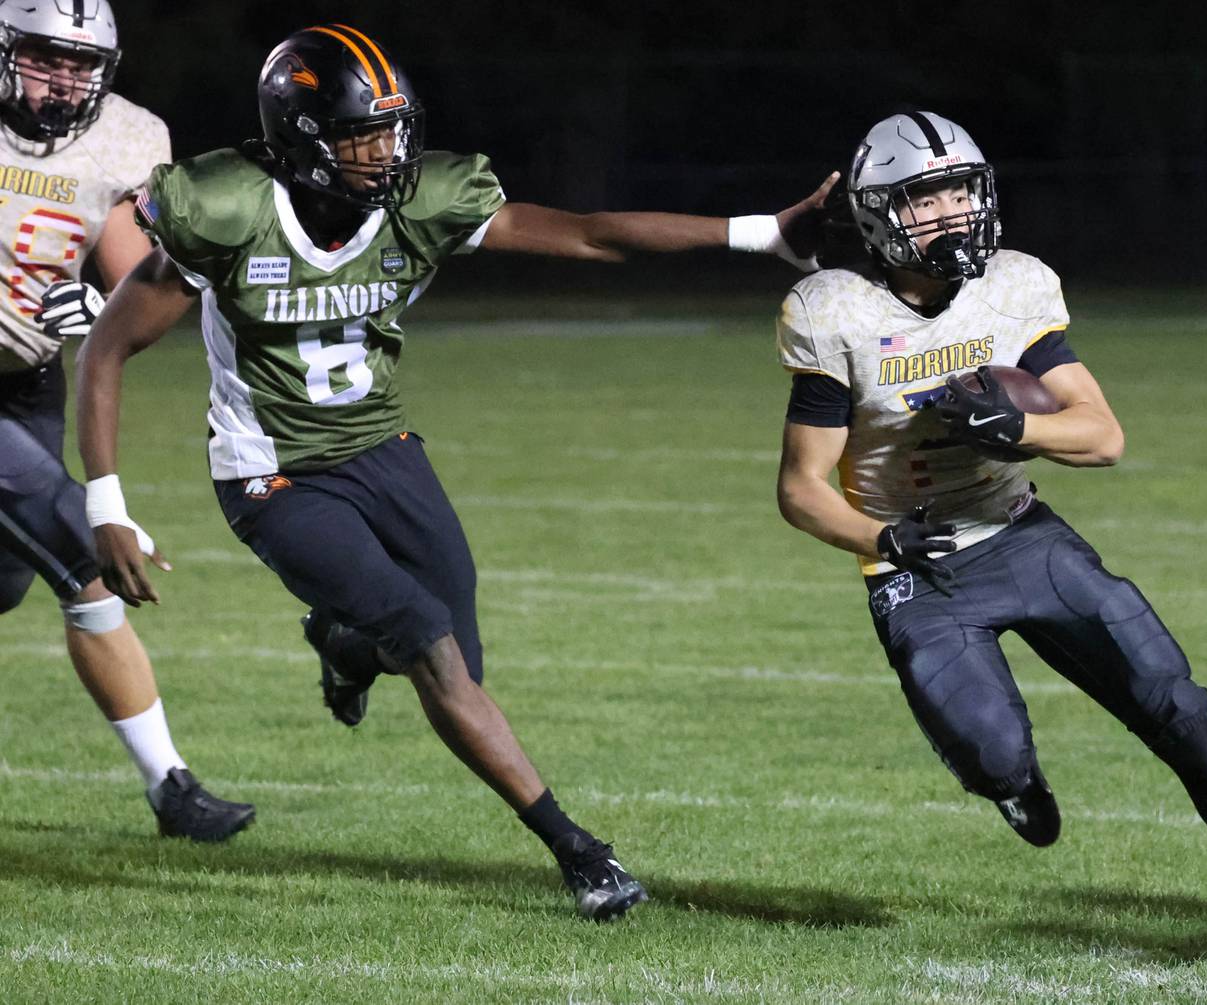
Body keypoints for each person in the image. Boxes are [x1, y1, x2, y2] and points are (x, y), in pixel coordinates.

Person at [74, 23, 834, 920]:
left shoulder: (419, 198)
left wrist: (764, 235)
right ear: (303, 140)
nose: (388, 152)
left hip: (383, 447)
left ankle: (345, 643)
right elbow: (106, 352)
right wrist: (108, 501)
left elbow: (590, 237)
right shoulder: (227, 206)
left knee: (453, 655)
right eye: (364, 135)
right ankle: (578, 847)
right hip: (272, 473)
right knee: (429, 643)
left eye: (394, 130)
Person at [771, 110, 1207, 933]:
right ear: (880, 213)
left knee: (1173, 700)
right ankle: (1014, 782)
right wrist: (878, 539)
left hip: (1023, 533)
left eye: (962, 189)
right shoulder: (834, 311)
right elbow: (801, 487)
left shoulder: (1013, 287)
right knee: (993, 755)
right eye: (927, 198)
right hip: (919, 567)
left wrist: (1016, 429)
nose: (955, 212)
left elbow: (1102, 436)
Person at [0, 0, 254, 841]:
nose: (62, 78)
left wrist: (99, 307)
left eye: (80, 63)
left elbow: (138, 281)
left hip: (28, 383)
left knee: (5, 585)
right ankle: (171, 788)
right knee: (85, 553)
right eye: (43, 57)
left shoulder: (130, 136)